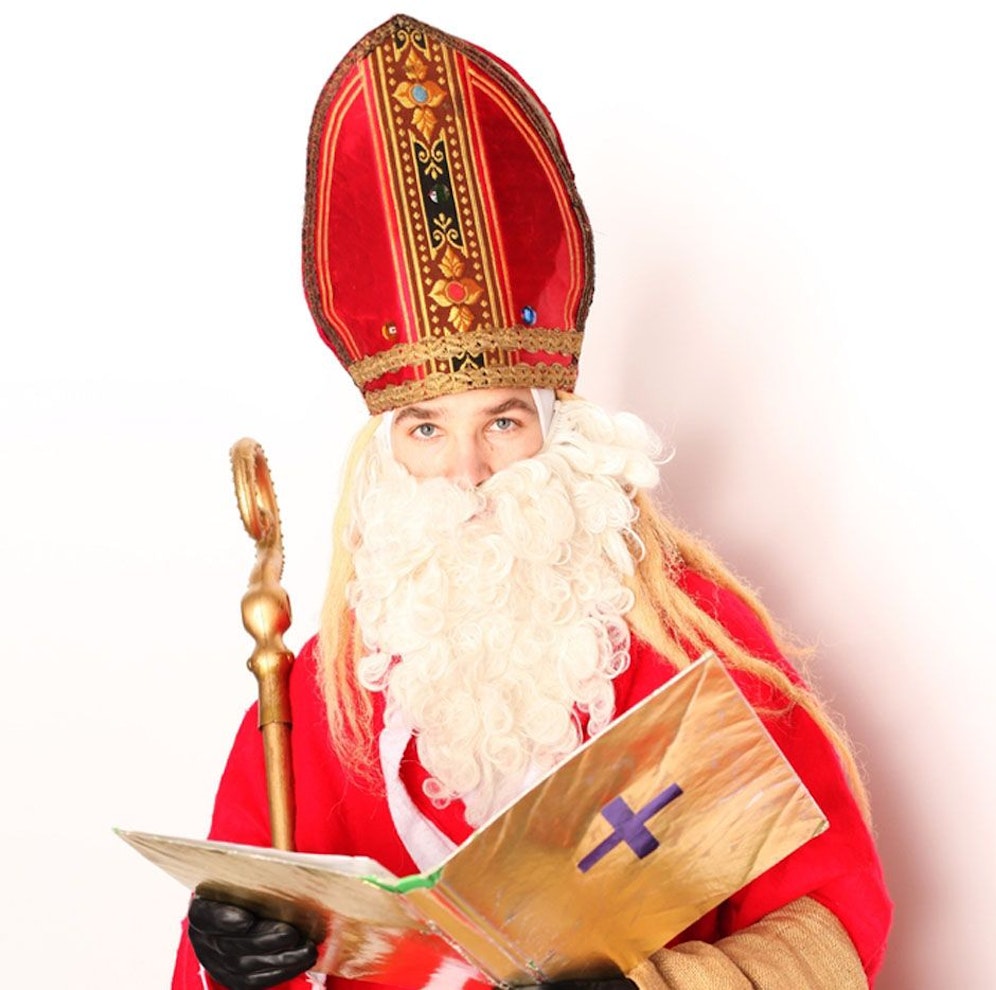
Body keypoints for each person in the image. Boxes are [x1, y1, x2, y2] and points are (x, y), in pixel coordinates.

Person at [172, 14, 892, 990]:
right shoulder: (322, 690)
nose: (468, 473)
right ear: (385, 457)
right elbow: (244, 932)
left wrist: (656, 988)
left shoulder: (697, 641)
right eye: (426, 431)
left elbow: (832, 926)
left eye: (503, 423)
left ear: (561, 433)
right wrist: (232, 962)